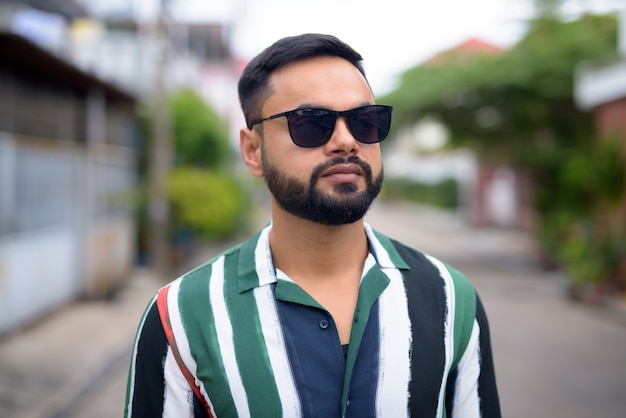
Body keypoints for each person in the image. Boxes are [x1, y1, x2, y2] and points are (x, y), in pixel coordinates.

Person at [124, 33, 501, 418]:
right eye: (311, 123)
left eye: (364, 122)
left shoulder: (450, 299)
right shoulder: (182, 316)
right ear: (253, 151)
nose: (345, 141)